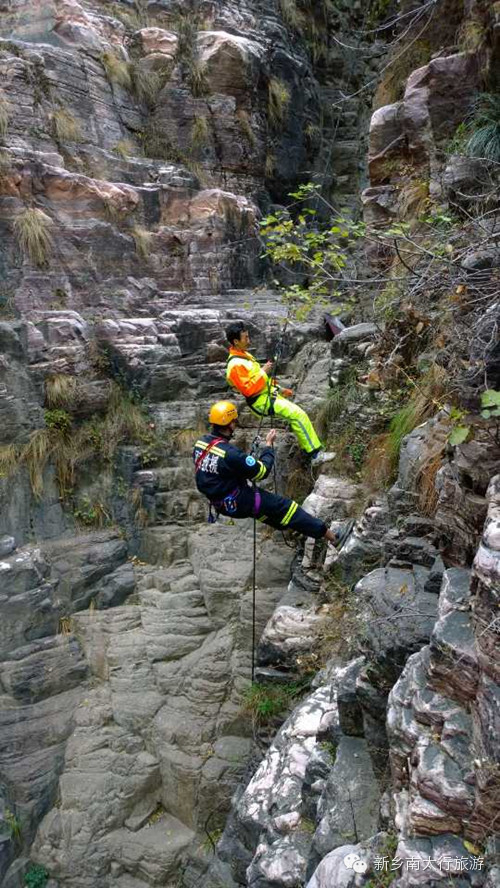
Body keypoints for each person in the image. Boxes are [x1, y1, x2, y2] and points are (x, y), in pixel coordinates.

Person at [193, 400, 349, 546]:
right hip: (240, 501)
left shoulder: (200, 444)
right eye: (234, 422)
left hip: (221, 504)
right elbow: (261, 472)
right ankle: (334, 538)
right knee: (288, 508)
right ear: (230, 424)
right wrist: (268, 446)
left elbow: (220, 469)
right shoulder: (230, 454)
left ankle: (297, 528)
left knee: (273, 515)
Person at [225, 321, 333, 464]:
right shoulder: (235, 365)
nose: (249, 341)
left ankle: (310, 449)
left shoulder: (244, 356)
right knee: (297, 415)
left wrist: (280, 389)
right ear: (236, 341)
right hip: (260, 401)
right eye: (246, 338)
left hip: (267, 395)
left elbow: (260, 381)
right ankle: (315, 455)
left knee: (297, 415)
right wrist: (263, 371)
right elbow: (248, 389)